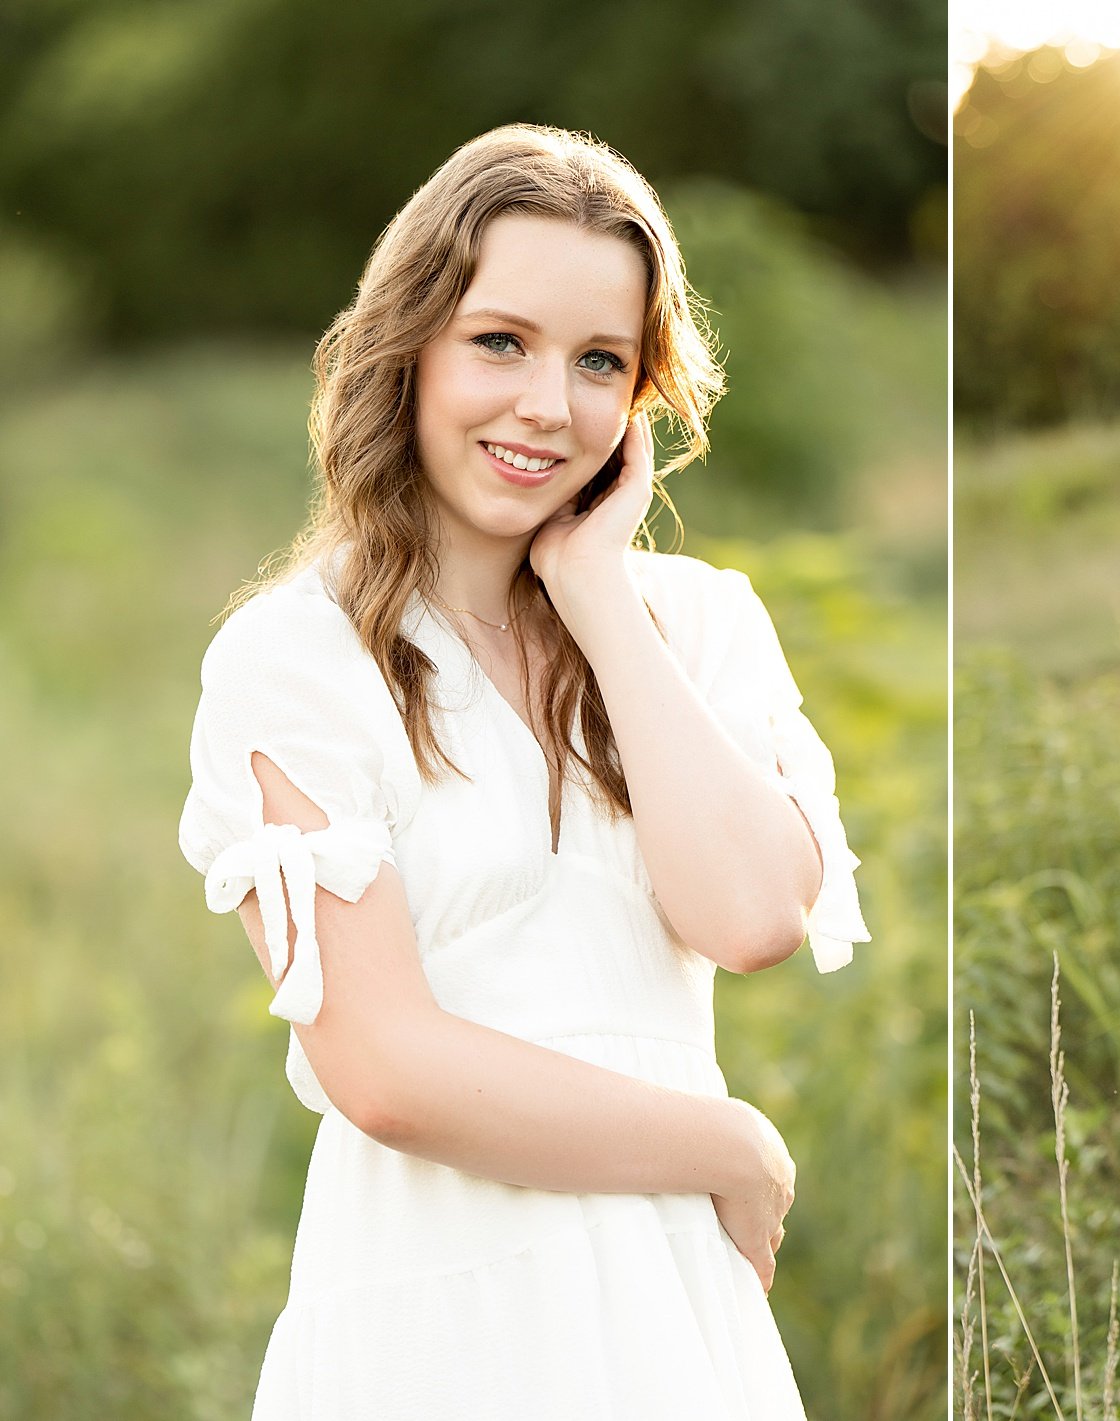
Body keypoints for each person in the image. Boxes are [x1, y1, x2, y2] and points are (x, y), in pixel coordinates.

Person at [178, 123, 869, 1420]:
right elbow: (383, 1065)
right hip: (435, 1310)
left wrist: (597, 592)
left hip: (672, 1310)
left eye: (599, 361)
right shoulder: (298, 656)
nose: (548, 406)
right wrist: (730, 1142)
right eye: (502, 340)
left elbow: (750, 915)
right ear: (413, 347)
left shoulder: (697, 621)